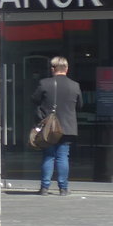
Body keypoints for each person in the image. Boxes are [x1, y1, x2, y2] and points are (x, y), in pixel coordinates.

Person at [32, 56, 82, 195]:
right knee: (62, 156)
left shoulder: (44, 83)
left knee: (48, 156)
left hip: (49, 127)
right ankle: (63, 188)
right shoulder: (75, 85)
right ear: (67, 68)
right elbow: (80, 105)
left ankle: (44, 187)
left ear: (52, 68)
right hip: (67, 126)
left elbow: (34, 99)